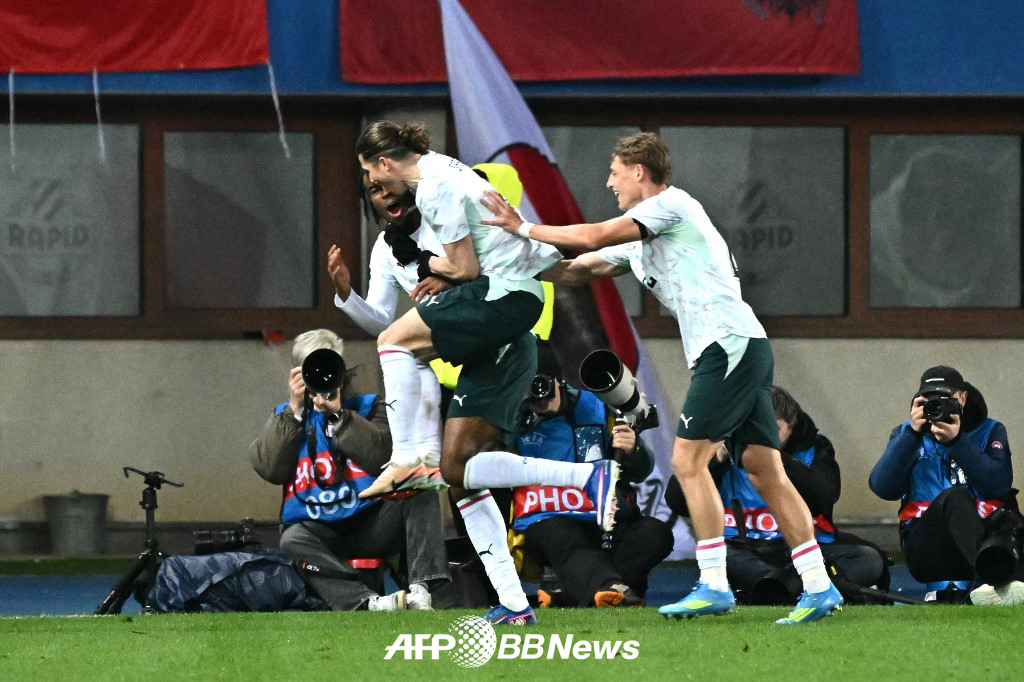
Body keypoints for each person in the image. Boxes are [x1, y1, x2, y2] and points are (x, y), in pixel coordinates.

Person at [482, 131, 842, 624]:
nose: (609, 182)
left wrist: (522, 228)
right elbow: (580, 268)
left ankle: (714, 583)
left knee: (687, 461)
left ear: (638, 171)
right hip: (741, 348)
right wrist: (503, 265)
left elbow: (591, 237)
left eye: (613, 172)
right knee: (764, 469)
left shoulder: (671, 205)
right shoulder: (646, 235)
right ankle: (820, 587)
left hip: (727, 349)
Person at [335, 135, 619, 625]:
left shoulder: (438, 202)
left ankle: (410, 458)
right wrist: (346, 296)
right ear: (374, 207)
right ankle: (515, 601)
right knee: (460, 474)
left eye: (384, 184)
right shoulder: (387, 249)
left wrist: (446, 275)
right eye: (375, 194)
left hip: (500, 323)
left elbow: (478, 265)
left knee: (399, 350)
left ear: (394, 176)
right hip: (471, 345)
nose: (383, 194)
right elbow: (382, 318)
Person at [248, 329, 450, 611]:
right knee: (292, 538)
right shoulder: (287, 416)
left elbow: (381, 457)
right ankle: (368, 602)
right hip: (323, 532)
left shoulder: (369, 407)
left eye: (330, 368)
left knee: (419, 487)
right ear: (298, 374)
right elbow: (270, 469)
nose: (322, 377)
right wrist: (294, 411)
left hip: (373, 522)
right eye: (312, 370)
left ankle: (420, 590)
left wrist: (339, 417)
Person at [665, 386, 887, 604]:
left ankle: (780, 590)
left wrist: (774, 460)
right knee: (726, 558)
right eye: (752, 429)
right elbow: (676, 501)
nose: (758, 437)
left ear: (791, 426)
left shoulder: (813, 448)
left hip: (804, 548)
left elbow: (824, 497)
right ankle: (802, 588)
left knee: (868, 558)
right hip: (743, 550)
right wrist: (713, 462)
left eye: (770, 430)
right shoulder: (716, 451)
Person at [513, 346, 674, 608]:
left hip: (604, 516)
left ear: (559, 380)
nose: (538, 397)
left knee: (655, 534)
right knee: (561, 537)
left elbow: (642, 470)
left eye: (543, 385)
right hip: (550, 519)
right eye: (528, 390)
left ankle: (572, 596)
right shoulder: (513, 418)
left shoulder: (597, 407)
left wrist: (633, 450)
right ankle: (608, 588)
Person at [869, 366, 1022, 605]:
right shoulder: (905, 434)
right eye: (929, 400)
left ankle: (1000, 584)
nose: (936, 407)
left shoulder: (990, 430)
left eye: (945, 400)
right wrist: (911, 435)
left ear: (962, 399)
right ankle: (991, 582)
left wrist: (958, 442)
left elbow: (998, 486)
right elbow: (882, 487)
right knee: (955, 498)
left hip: (985, 540)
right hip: (928, 548)